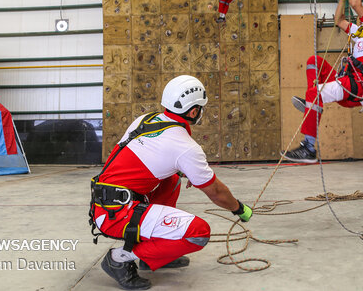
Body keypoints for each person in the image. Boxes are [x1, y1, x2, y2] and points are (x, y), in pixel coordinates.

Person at [92, 75, 253, 290]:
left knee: (172, 178)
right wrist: (239, 208)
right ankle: (120, 258)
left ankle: (154, 257)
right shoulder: (185, 146)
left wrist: (184, 170)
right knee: (199, 233)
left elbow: (150, 157)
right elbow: (215, 192)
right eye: (201, 108)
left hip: (105, 203)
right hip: (116, 214)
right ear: (194, 112)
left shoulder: (146, 120)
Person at [283, 0, 363, 163]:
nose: (360, 17)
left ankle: (308, 148)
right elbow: (339, 19)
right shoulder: (360, 32)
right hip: (347, 82)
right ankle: (313, 105)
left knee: (314, 94)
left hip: (358, 85)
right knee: (313, 62)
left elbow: (356, 4)